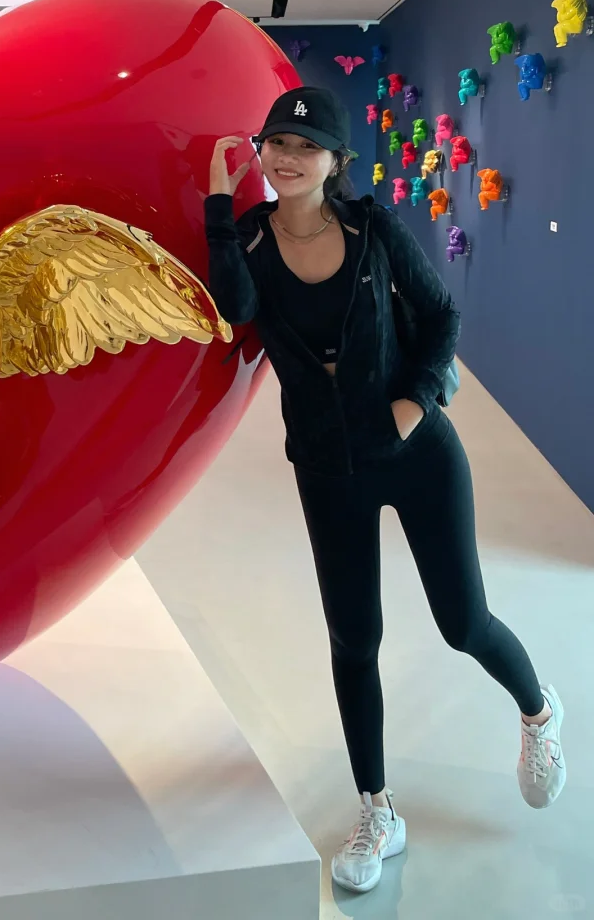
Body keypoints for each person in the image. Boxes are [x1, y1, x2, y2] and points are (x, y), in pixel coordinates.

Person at [203, 85, 565, 895]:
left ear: (335, 161)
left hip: (415, 450)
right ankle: (377, 810)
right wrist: (219, 209)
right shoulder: (251, 238)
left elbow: (441, 318)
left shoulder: (374, 231)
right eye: (277, 143)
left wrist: (413, 404)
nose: (288, 158)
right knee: (353, 638)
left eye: (306, 147)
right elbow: (236, 308)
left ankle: (540, 712)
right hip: (327, 463)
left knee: (463, 622)